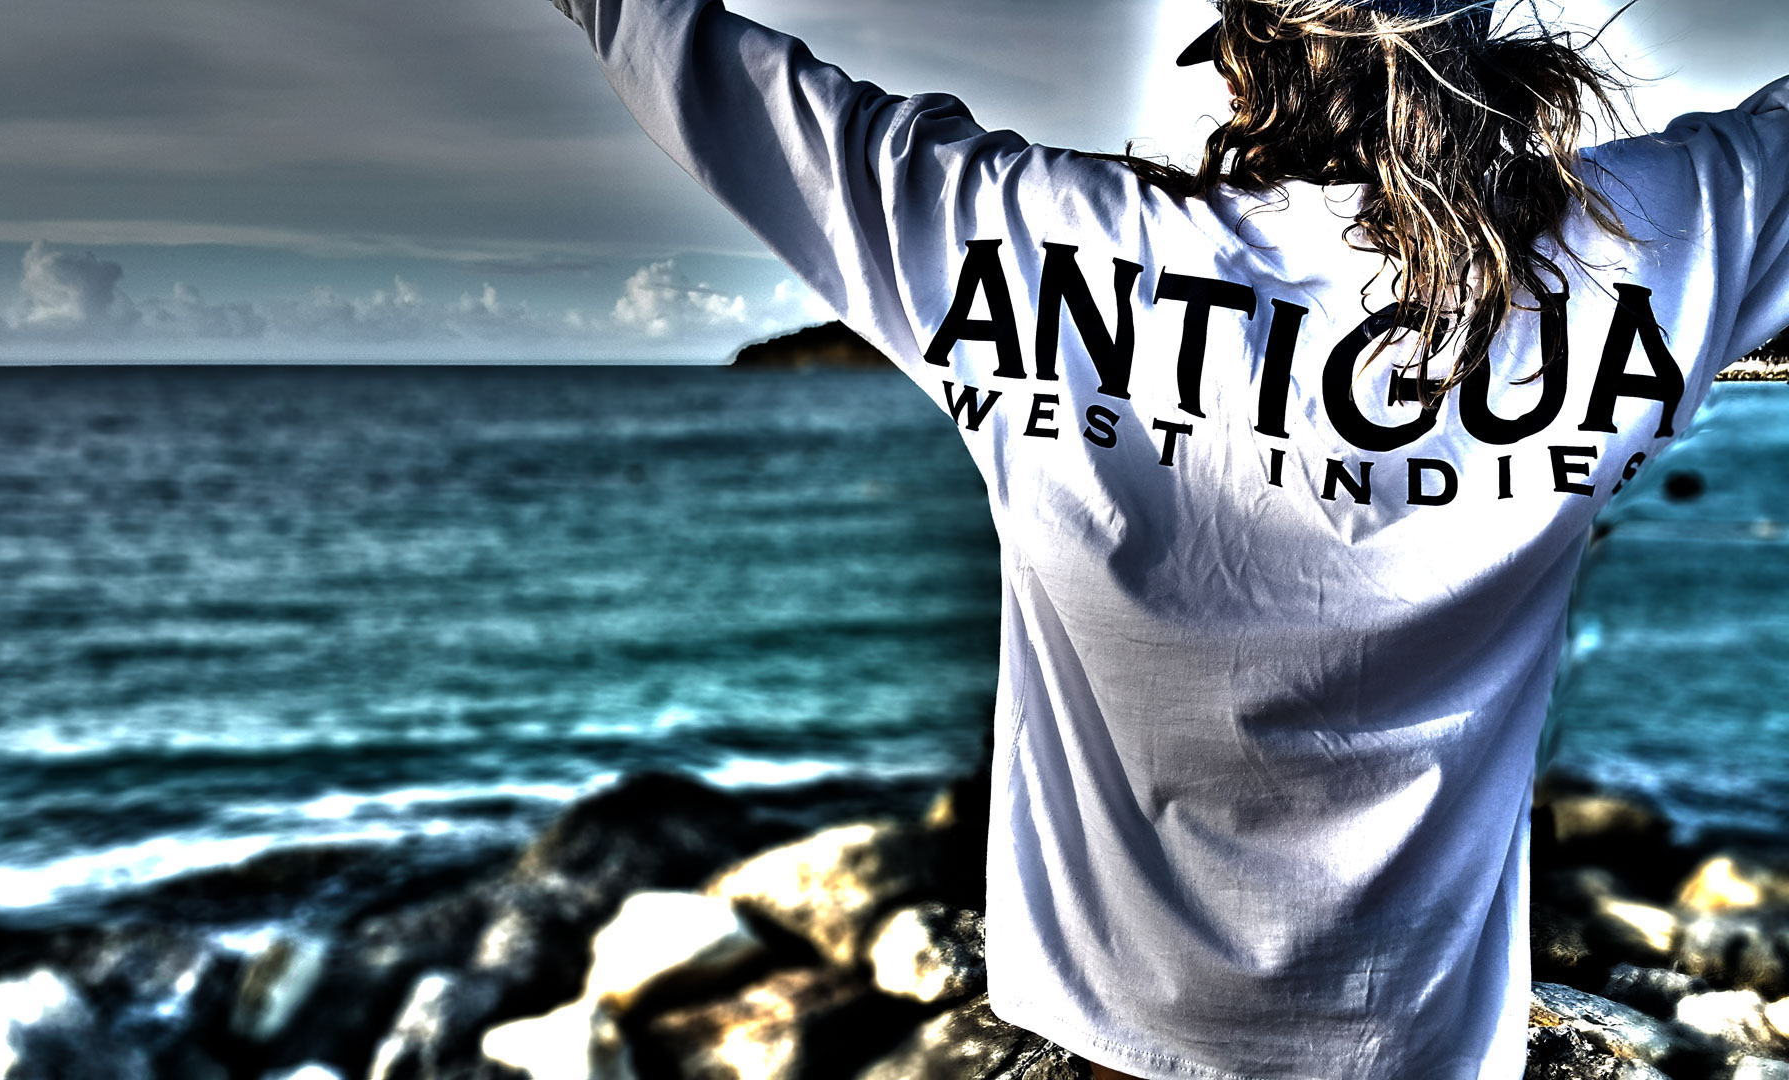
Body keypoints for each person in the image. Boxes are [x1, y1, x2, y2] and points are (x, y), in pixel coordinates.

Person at [542, 0, 1789, 1075]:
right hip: (1408, 1034)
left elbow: (685, 52)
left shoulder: (1030, 238)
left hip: (1120, 1026)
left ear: (1251, 60)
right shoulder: (1637, 252)